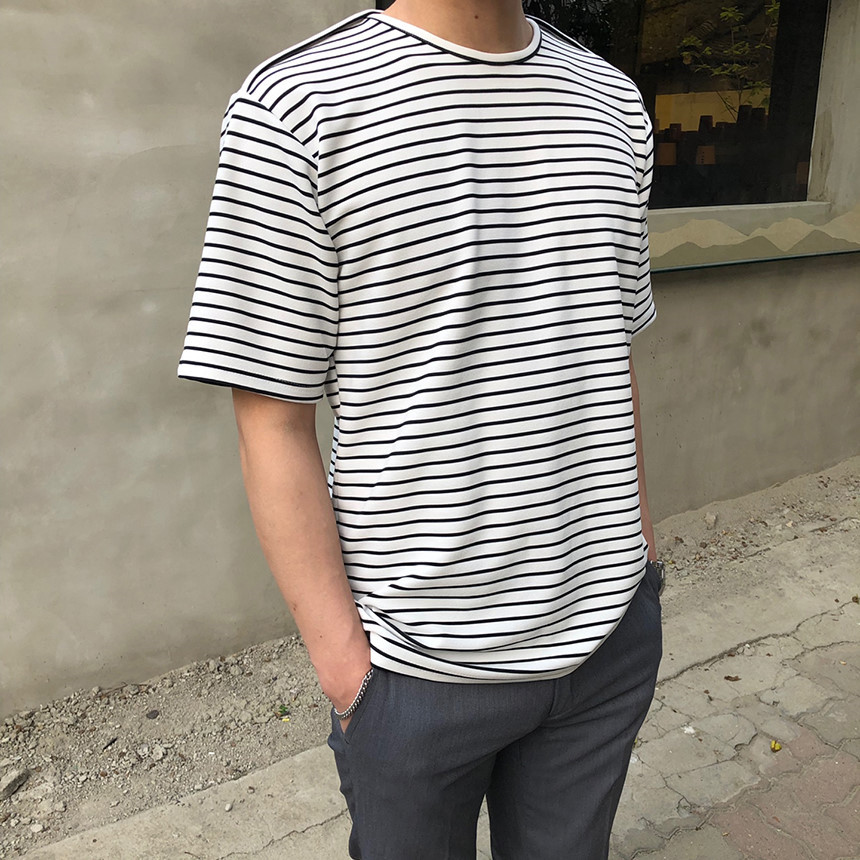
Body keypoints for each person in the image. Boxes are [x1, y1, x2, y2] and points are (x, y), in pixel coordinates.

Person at [178, 1, 662, 856]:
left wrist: (642, 566)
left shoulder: (612, 103)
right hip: (415, 677)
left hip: (607, 643)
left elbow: (607, 354)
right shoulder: (298, 107)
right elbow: (272, 418)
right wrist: (350, 675)